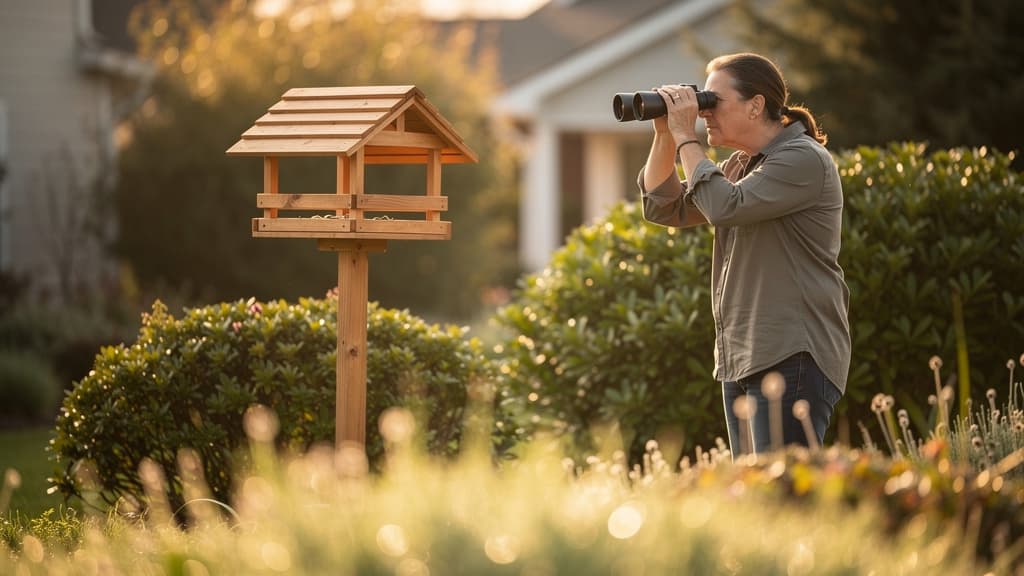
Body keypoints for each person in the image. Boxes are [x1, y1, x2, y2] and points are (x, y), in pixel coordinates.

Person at [638, 52, 850, 456]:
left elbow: (725, 206)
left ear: (756, 106)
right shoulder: (742, 166)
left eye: (712, 102)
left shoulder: (803, 159)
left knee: (784, 499)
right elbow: (663, 206)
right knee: (755, 501)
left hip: (793, 353)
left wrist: (687, 138)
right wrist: (665, 133)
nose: (705, 114)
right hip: (743, 353)